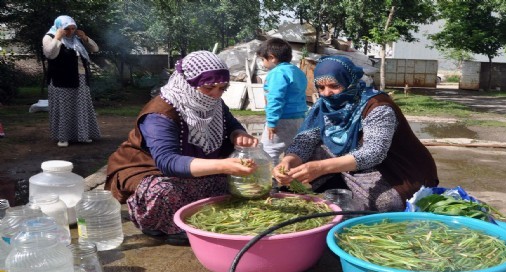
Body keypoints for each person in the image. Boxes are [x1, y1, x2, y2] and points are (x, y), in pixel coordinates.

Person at [104, 51, 259, 245]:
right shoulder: (160, 114)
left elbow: (230, 122)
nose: (216, 94)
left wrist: (238, 134)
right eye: (210, 87)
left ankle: (192, 216)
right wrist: (224, 166)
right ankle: (159, 224)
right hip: (150, 168)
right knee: (164, 192)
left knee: (242, 184)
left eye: (222, 88)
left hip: (196, 164)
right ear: (187, 83)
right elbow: (168, 162)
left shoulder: (214, 104)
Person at [272, 55, 439, 212]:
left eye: (334, 86)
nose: (326, 93)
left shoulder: (377, 107)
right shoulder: (323, 106)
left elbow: (374, 153)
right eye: (321, 87)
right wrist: (288, 161)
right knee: (295, 178)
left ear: (349, 82)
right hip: (349, 162)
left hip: (393, 167)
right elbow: (306, 140)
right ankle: (338, 186)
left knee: (384, 203)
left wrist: (321, 168)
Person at [43, 15, 101, 148]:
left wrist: (85, 38)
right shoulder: (50, 37)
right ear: (59, 28)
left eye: (73, 29)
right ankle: (63, 138)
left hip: (80, 78)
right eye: (67, 29)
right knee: (65, 109)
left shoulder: (76, 39)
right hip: (61, 79)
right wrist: (58, 38)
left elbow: (95, 49)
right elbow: (50, 54)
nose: (70, 32)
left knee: (81, 108)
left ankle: (82, 135)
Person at [256, 38, 308, 165]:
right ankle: (291, 180)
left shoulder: (277, 73)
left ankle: (270, 182)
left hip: (282, 119)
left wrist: (272, 122)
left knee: (268, 152)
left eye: (263, 59)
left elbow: (275, 98)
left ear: (272, 57)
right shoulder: (297, 71)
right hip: (299, 119)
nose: (263, 64)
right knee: (291, 151)